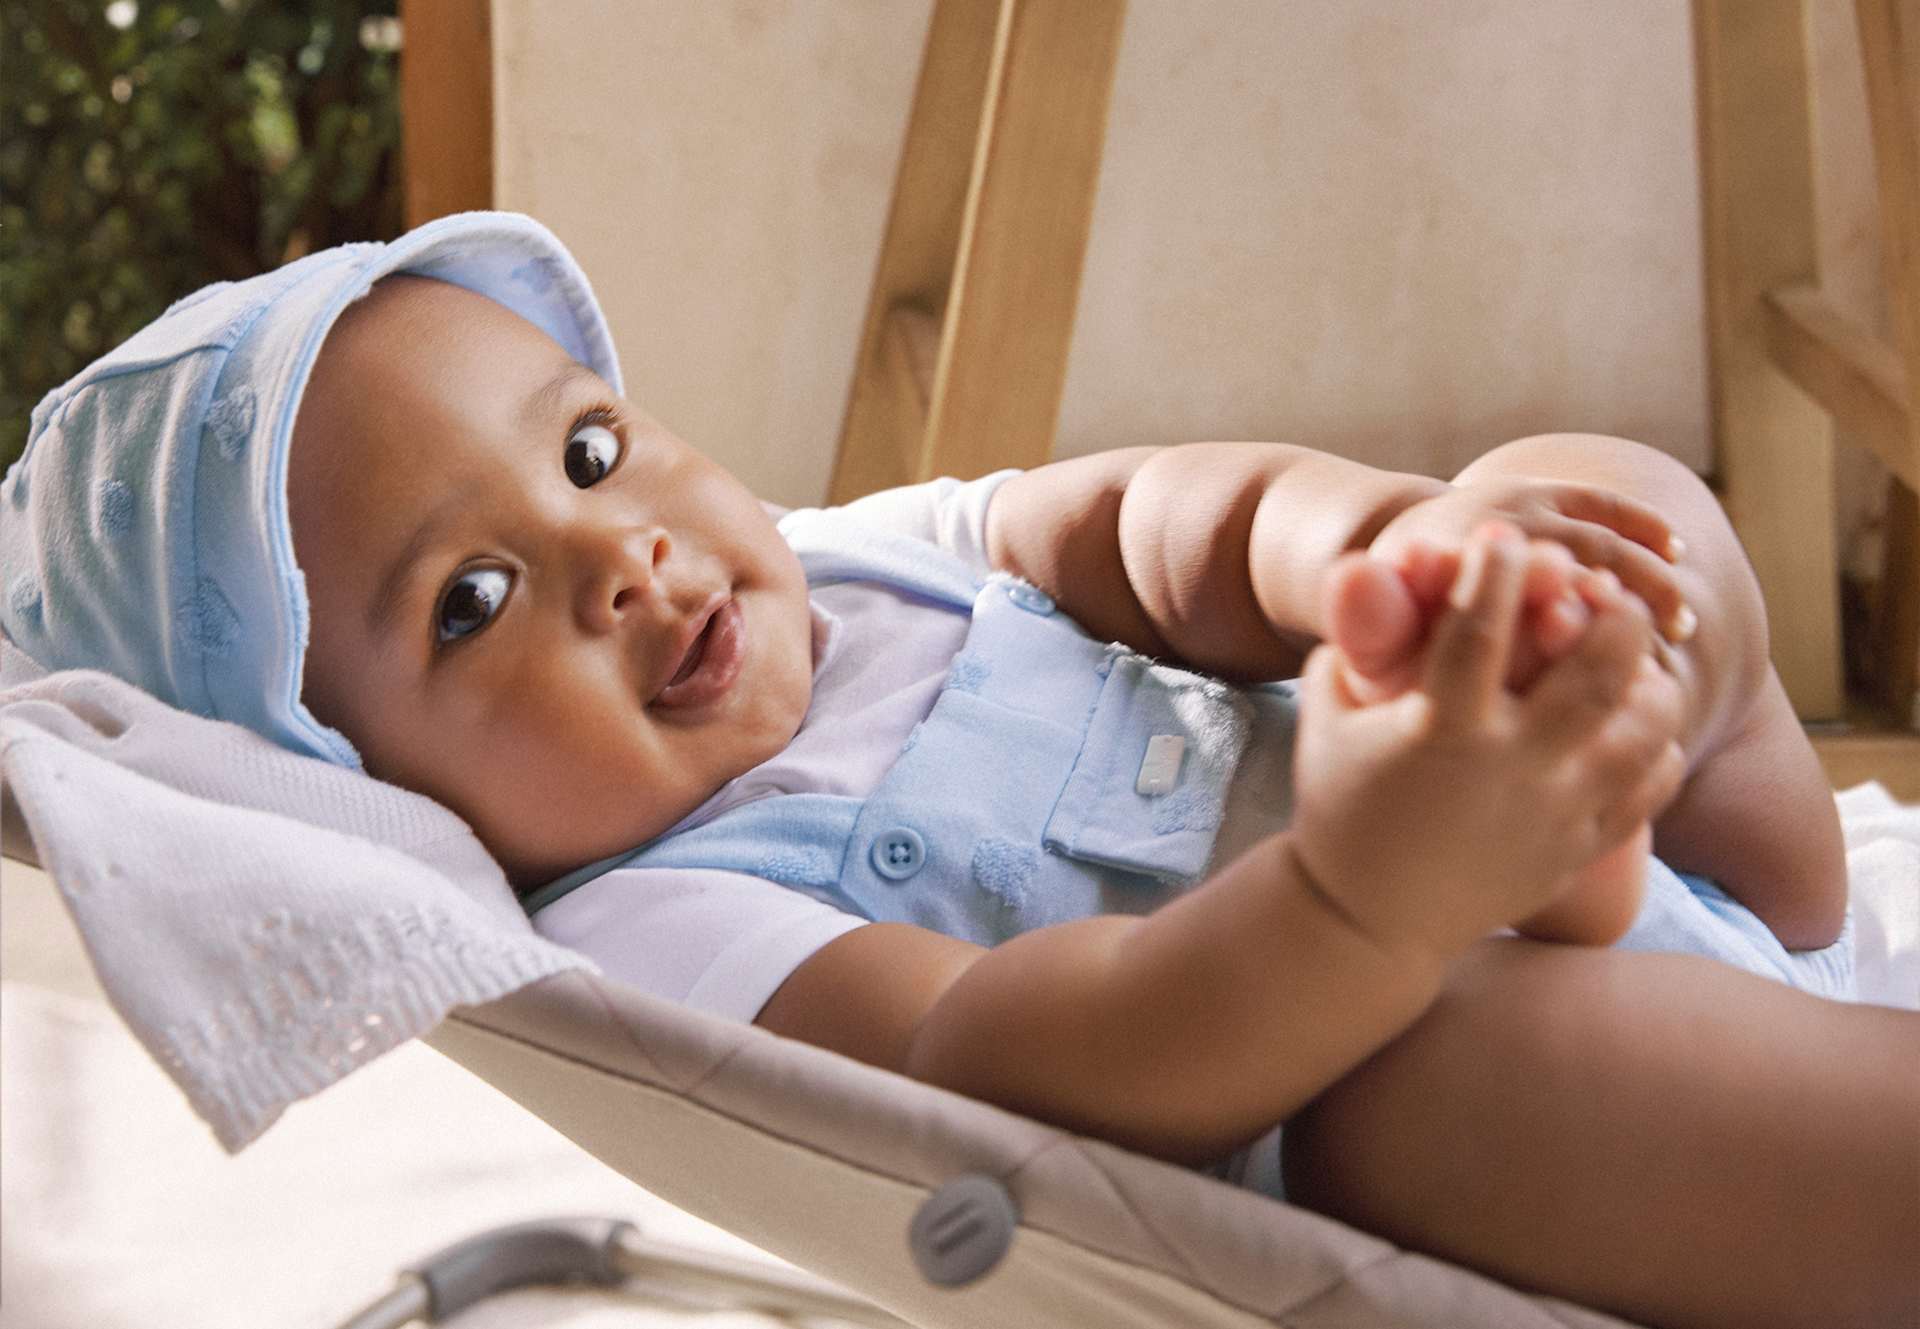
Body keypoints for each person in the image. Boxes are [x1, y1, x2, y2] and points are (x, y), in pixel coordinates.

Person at [2, 213, 1911, 1329]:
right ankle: (1536, 866)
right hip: (1514, 1078)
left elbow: (1167, 521)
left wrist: (1370, 556)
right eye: (475, 600)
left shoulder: (866, 556)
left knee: (1603, 494)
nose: (620, 558)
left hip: (1700, 838)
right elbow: (1008, 1048)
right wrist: (1372, 891)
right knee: (1443, 1077)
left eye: (587, 451)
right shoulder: (663, 921)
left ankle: (1579, 757)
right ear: (369, 784)